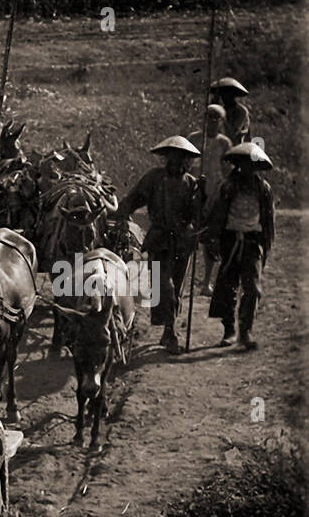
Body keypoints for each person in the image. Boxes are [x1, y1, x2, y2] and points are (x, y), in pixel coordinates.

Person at [112, 136, 202, 355]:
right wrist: (121, 215)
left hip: (182, 242)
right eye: (172, 157)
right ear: (166, 158)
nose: (176, 162)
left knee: (177, 287)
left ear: (187, 161)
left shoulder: (192, 184)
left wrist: (202, 195)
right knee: (164, 286)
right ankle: (171, 335)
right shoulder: (153, 178)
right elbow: (134, 198)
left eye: (181, 158)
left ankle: (169, 329)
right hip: (159, 239)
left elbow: (198, 215)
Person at [204, 142, 275, 350]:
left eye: (251, 166)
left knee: (252, 288)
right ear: (238, 165)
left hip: (253, 241)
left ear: (257, 168)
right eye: (244, 165)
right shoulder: (227, 187)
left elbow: (269, 221)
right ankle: (229, 330)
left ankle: (245, 330)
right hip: (230, 239)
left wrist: (266, 246)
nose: (247, 169)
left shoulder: (263, 189)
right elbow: (217, 215)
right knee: (228, 285)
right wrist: (214, 240)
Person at [190, 103, 231, 296]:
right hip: (194, 191)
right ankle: (185, 281)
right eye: (209, 118)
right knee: (188, 235)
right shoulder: (195, 139)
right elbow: (187, 164)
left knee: (211, 239)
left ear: (221, 122)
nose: (212, 122)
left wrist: (221, 191)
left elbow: (227, 170)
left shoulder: (224, 143)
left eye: (216, 119)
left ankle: (206, 282)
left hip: (215, 193)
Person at [208, 77, 251, 142]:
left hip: (238, 145)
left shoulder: (241, 111)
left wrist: (222, 117)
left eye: (227, 94)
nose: (224, 97)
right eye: (222, 94)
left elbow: (233, 134)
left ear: (233, 94)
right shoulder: (222, 109)